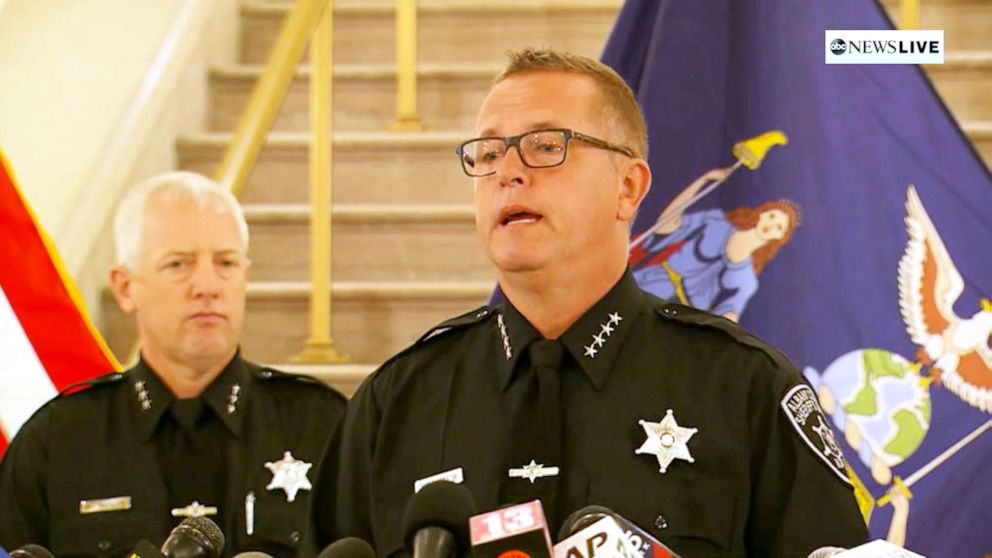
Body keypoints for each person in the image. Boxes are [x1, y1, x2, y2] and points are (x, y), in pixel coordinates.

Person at [312, 48, 867, 557]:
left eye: (546, 145)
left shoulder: (744, 389)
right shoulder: (398, 401)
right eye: (487, 152)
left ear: (628, 187)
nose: (507, 172)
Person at [0, 171, 347, 557]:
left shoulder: (321, 426)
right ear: (125, 287)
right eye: (179, 265)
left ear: (245, 277)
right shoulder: (58, 441)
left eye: (226, 263)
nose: (207, 285)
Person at [630, 166, 801, 322]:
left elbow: (729, 314)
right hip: (652, 286)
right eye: (772, 216)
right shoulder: (716, 222)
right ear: (763, 213)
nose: (771, 226)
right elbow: (667, 225)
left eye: (779, 227)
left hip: (679, 321)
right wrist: (705, 180)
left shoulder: (748, 280)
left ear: (780, 237)